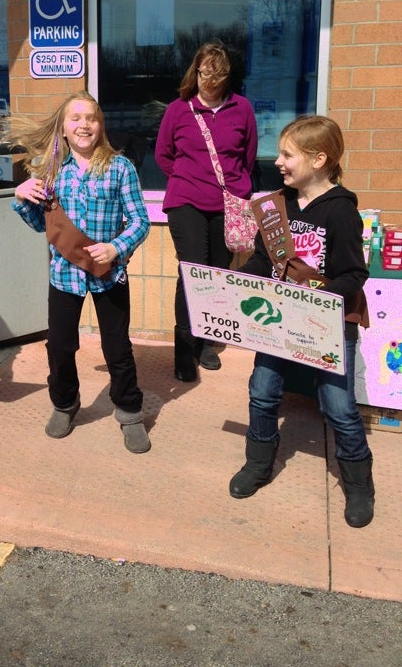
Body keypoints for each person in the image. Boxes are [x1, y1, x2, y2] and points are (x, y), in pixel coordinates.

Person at [230, 115, 374, 528]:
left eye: (287, 155)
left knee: (338, 406)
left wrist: (315, 300)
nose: (278, 161)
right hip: (278, 320)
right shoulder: (278, 205)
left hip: (328, 323)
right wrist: (240, 282)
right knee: (262, 391)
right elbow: (263, 259)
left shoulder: (342, 212)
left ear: (318, 159)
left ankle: (359, 484)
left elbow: (353, 275)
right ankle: (258, 464)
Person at [6, 92, 151, 453]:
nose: (84, 125)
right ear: (63, 129)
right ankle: (65, 404)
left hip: (108, 273)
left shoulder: (120, 168)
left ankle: (129, 412)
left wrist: (116, 247)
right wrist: (21, 198)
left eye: (92, 118)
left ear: (101, 126)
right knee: (59, 345)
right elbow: (41, 224)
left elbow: (141, 221)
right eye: (76, 118)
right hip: (64, 274)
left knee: (117, 348)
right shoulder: (50, 170)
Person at [154, 41, 258, 381]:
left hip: (227, 204)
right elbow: (163, 155)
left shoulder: (242, 108)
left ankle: (207, 341)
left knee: (218, 273)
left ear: (228, 76)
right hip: (186, 201)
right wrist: (187, 179)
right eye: (204, 73)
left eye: (218, 74)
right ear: (195, 72)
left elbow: (247, 157)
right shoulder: (178, 110)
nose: (210, 81)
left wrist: (235, 189)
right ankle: (185, 351)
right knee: (193, 271)